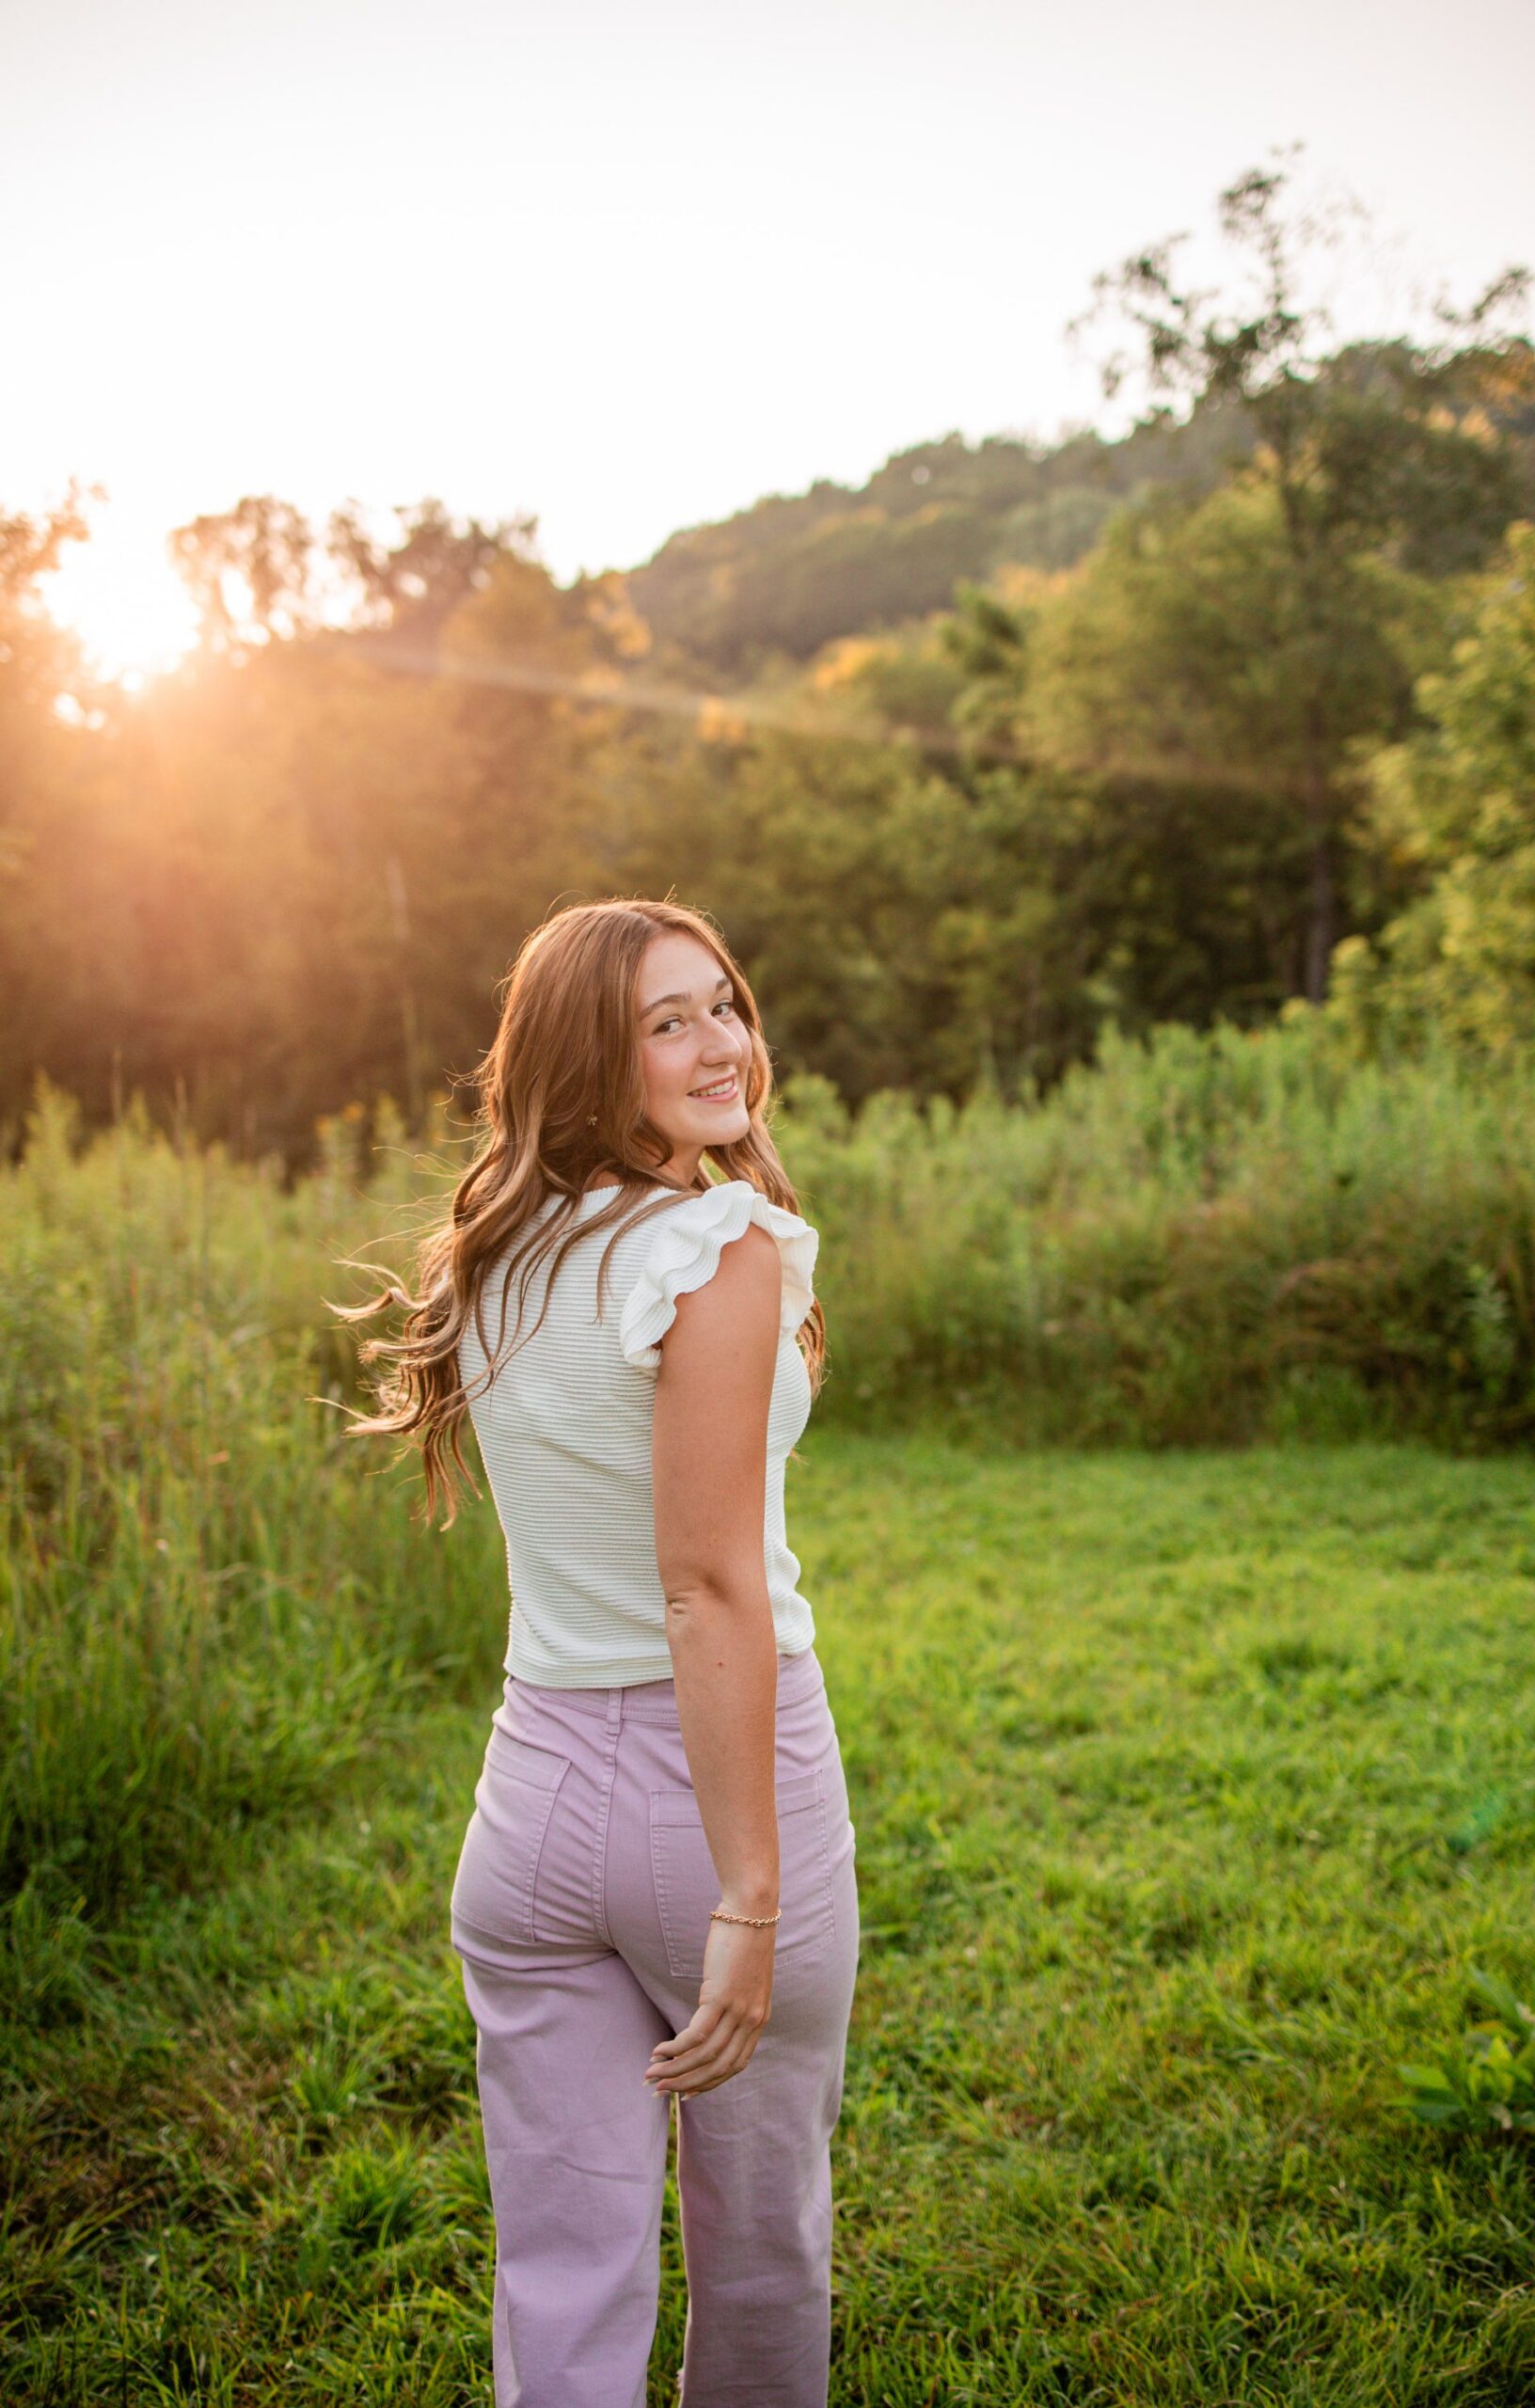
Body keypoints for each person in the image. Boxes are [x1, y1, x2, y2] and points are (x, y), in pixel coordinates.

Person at [340, 896, 860, 2408]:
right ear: (589, 1055)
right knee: (761, 2250)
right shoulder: (720, 1244)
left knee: (559, 2271)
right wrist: (748, 1896)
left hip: (531, 1803)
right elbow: (706, 1586)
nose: (723, 1046)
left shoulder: (493, 1247)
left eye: (724, 1004)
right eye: (667, 1021)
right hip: (721, 1792)